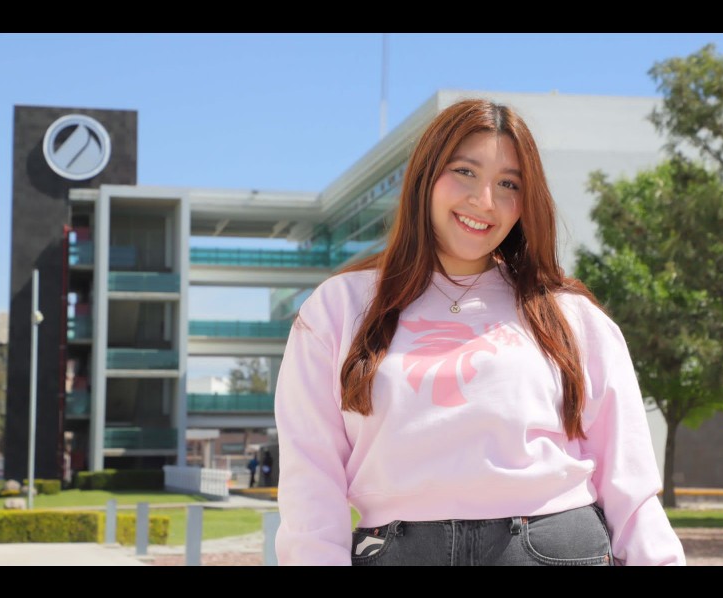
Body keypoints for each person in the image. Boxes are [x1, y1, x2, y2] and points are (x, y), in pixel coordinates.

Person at [273, 98, 686, 566]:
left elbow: (629, 482)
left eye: (508, 183)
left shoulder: (569, 314)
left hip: (553, 550)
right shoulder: (341, 307)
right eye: (465, 171)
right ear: (425, 176)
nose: (484, 201)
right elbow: (311, 478)